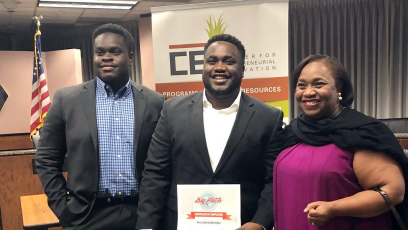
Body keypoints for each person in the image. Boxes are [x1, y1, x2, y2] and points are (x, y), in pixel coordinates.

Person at [136, 34, 285, 230]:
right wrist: (146, 227)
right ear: (203, 67)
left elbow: (273, 181)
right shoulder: (172, 111)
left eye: (229, 61)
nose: (220, 67)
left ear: (242, 69)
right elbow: (155, 174)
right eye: (211, 61)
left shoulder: (268, 117)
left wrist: (260, 223)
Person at [35, 23, 165, 230]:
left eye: (115, 51)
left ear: (130, 57)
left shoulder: (155, 102)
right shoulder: (66, 100)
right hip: (86, 216)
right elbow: (46, 159)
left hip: (142, 215)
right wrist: (62, 208)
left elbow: (163, 163)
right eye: (99, 52)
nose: (106, 57)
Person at [274, 54, 408, 230]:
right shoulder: (293, 131)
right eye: (301, 85)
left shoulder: (361, 132)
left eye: (318, 84)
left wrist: (333, 208)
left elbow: (392, 192)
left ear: (339, 88)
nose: (308, 92)